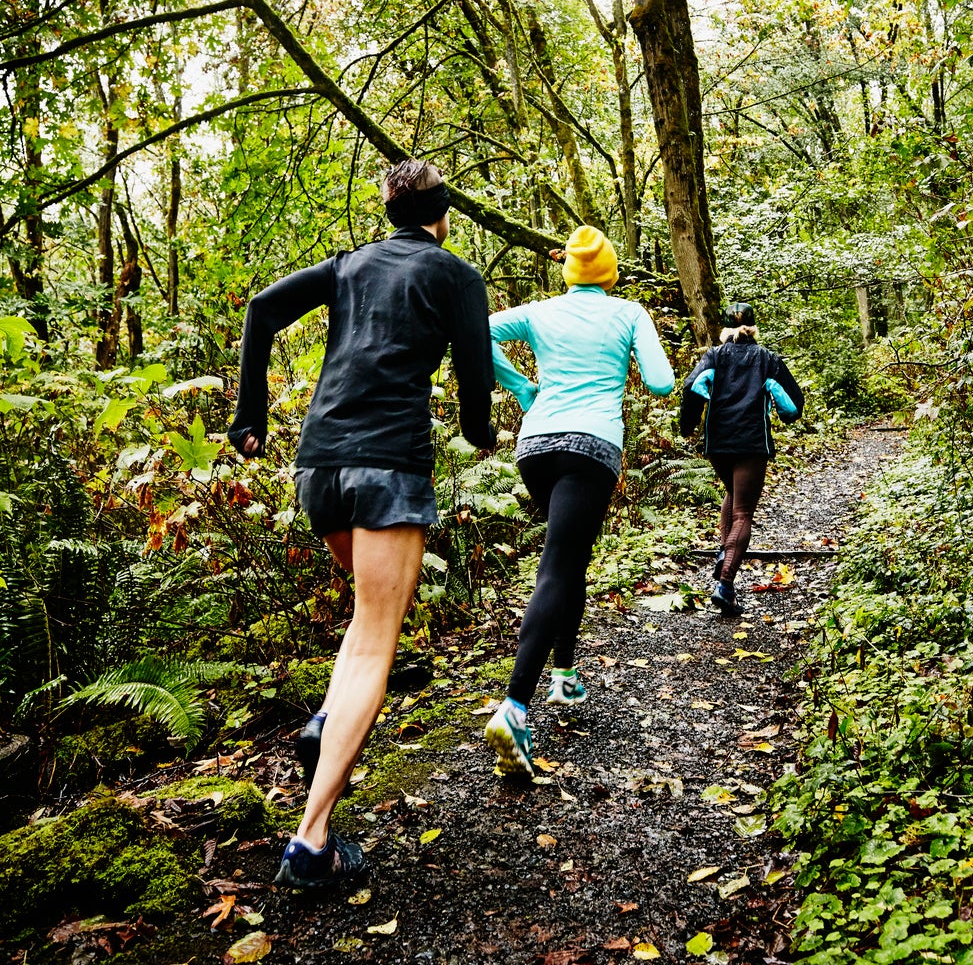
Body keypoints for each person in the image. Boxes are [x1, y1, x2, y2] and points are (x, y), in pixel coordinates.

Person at [225, 159, 496, 888]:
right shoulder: (456, 276)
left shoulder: (347, 265)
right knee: (378, 639)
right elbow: (476, 389)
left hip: (319, 469)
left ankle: (326, 722)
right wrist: (482, 434)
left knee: (364, 617)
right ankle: (310, 842)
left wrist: (248, 414)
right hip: (388, 468)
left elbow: (260, 308)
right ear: (442, 215)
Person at [482, 226, 674, 776]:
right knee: (559, 567)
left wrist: (521, 386)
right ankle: (515, 705)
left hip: (536, 447)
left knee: (571, 561)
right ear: (610, 274)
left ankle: (564, 676)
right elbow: (660, 383)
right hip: (591, 448)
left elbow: (474, 331)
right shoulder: (629, 312)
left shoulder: (539, 312)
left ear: (568, 273)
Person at [678, 303, 804, 616]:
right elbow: (794, 404)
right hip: (751, 443)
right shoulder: (767, 359)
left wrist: (687, 426)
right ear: (753, 328)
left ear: (724, 329)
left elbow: (690, 389)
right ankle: (724, 583)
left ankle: (726, 561)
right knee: (744, 512)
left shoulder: (713, 356)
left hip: (718, 443)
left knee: (733, 496)